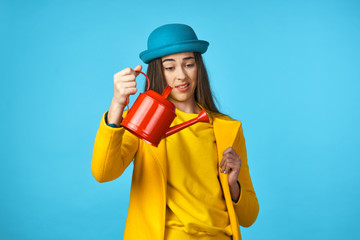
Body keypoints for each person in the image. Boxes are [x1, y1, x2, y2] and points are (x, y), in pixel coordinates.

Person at [91, 23, 259, 240]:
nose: (181, 76)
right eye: (170, 68)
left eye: (189, 64)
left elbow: (249, 217)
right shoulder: (142, 120)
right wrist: (117, 105)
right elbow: (104, 172)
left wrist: (233, 184)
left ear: (199, 67)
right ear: (157, 72)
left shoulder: (227, 127)